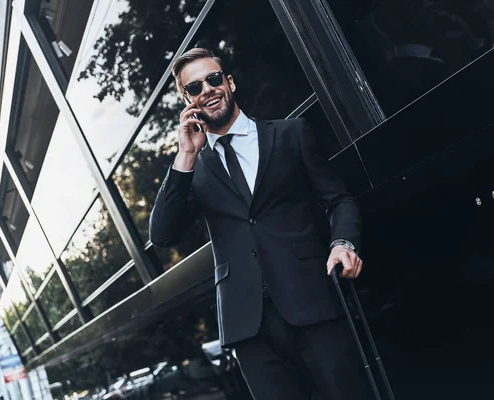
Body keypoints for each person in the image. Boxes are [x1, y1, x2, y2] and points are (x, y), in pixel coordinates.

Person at [150, 48, 370, 399]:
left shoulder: (290, 135)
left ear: (230, 83)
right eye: (194, 88)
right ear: (187, 100)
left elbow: (339, 200)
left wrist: (342, 243)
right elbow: (162, 234)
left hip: (313, 303)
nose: (206, 89)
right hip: (249, 328)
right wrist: (186, 155)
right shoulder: (194, 167)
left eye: (213, 79)